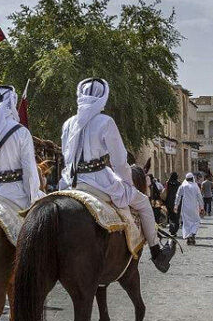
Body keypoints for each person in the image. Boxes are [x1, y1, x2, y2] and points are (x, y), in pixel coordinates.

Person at [59, 78, 175, 272]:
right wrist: (127, 183)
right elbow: (120, 161)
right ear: (103, 97)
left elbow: (66, 155)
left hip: (72, 181)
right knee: (144, 204)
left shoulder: (68, 123)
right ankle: (157, 253)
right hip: (99, 181)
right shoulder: (106, 121)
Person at [0, 85, 45, 209]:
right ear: (13, 101)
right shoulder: (21, 132)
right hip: (14, 196)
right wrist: (33, 198)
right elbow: (29, 171)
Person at [175, 173, 205, 244]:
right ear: (192, 179)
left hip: (185, 207)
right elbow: (200, 197)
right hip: (194, 207)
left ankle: (189, 237)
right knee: (196, 221)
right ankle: (192, 234)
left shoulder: (183, 186)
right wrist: (202, 207)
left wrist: (176, 205)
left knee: (186, 222)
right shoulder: (196, 186)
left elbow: (178, 195)